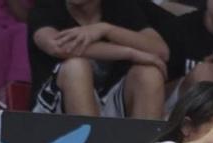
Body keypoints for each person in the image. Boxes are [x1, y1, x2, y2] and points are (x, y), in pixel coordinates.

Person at [28, 0, 169, 118]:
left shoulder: (119, 6)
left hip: (108, 105)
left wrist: (105, 29)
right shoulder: (48, 6)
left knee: (149, 73)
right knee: (76, 67)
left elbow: (161, 51)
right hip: (52, 115)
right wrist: (130, 53)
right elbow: (57, 46)